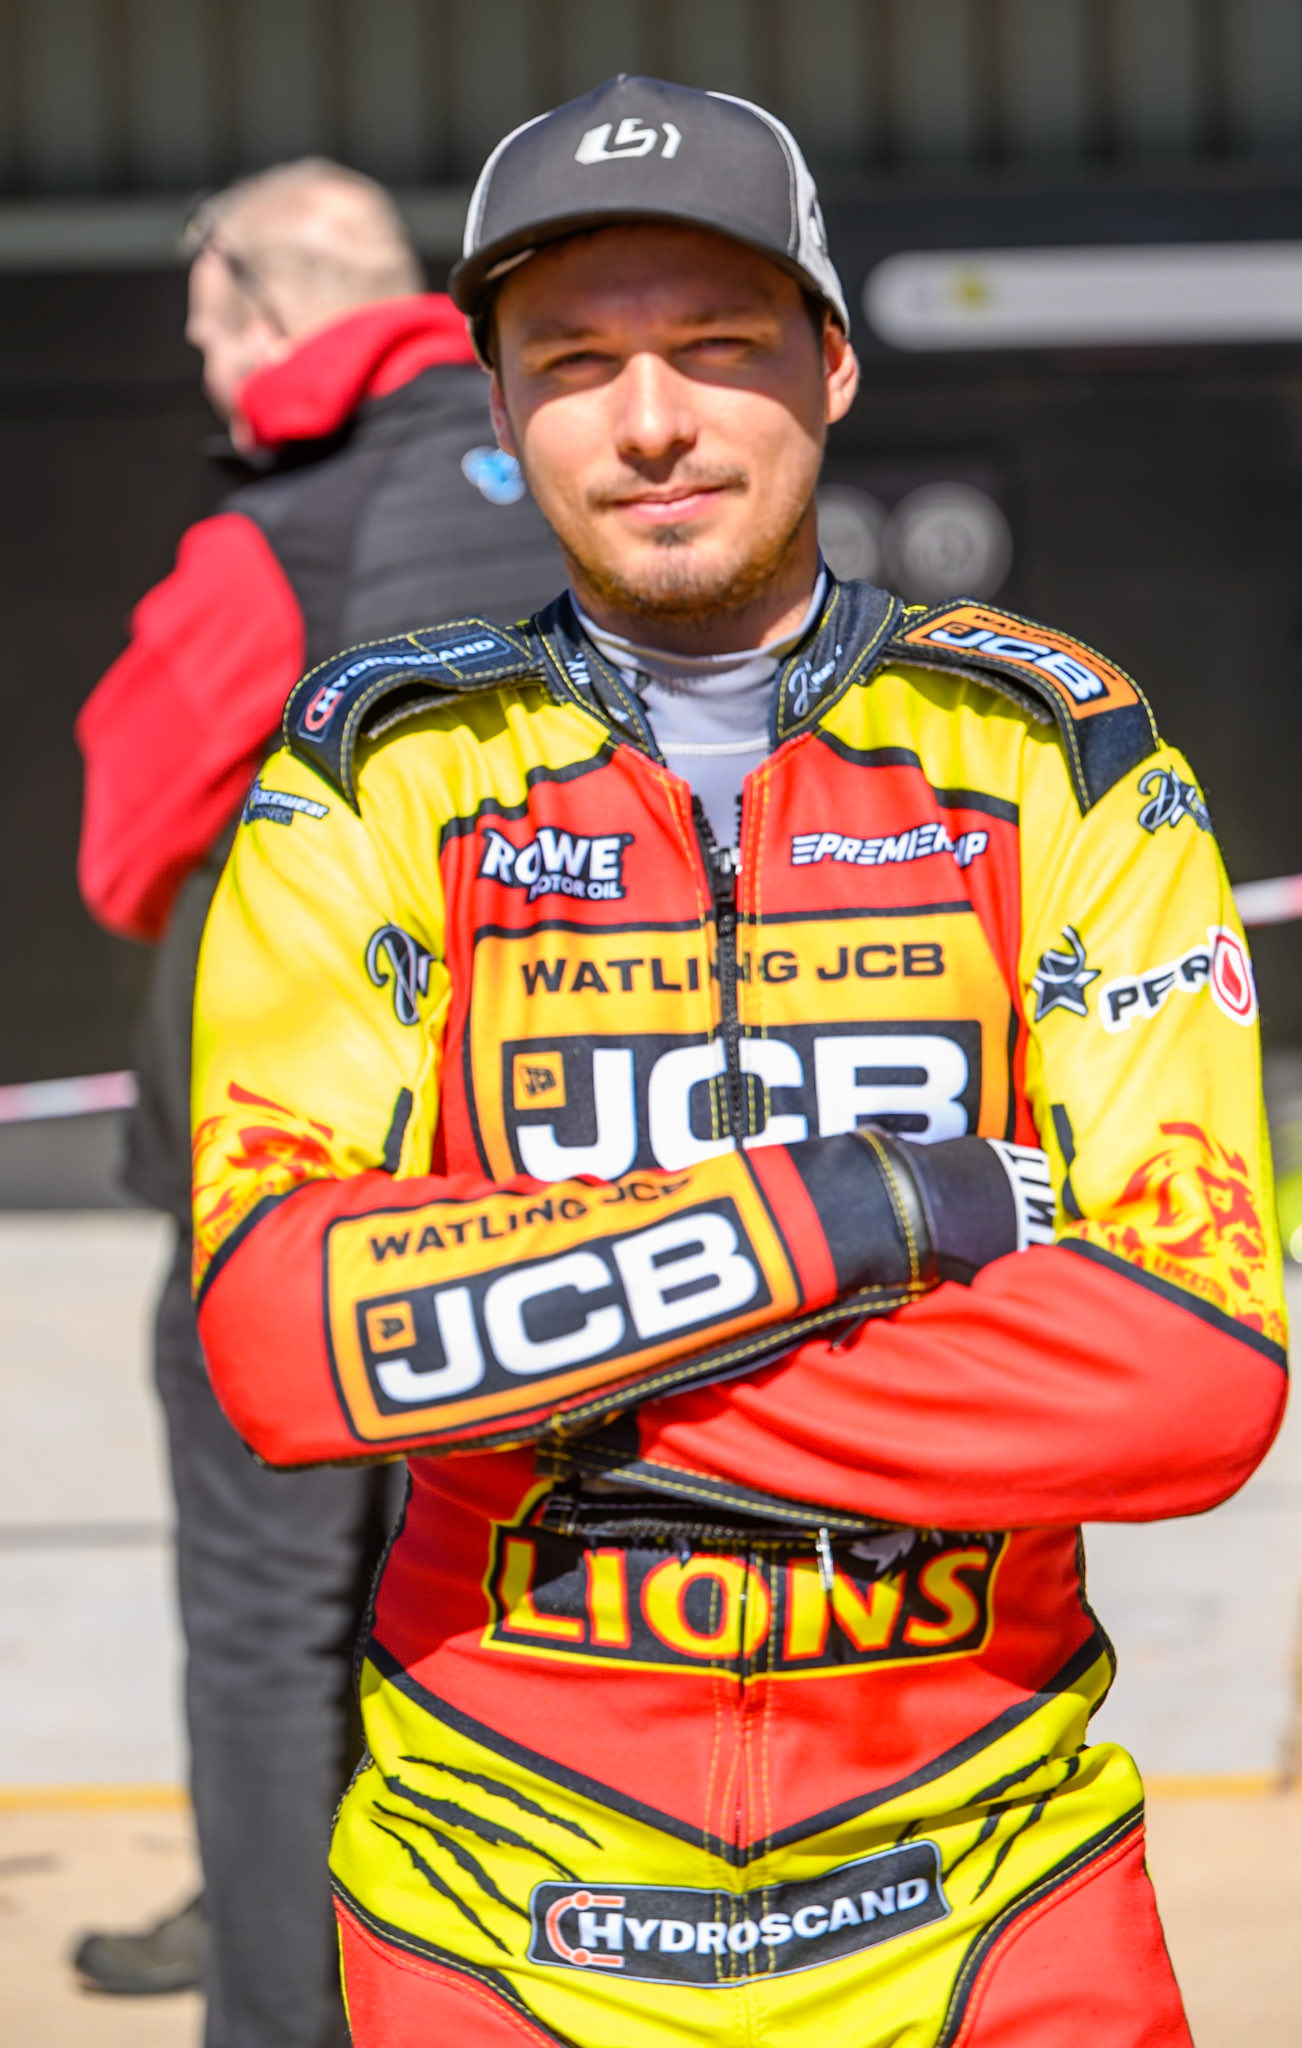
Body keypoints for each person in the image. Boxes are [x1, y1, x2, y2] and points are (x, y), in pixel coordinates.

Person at [188, 79, 1286, 2048]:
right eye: (574, 362)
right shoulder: (372, 779)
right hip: (491, 1910)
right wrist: (868, 1212)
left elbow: (1189, 1371)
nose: (652, 420)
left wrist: (511, 1365)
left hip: (990, 1895)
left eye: (713, 348)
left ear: (832, 365)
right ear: (503, 410)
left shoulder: (1061, 758)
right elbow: (280, 1339)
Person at [73, 158, 561, 2042]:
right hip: (591, 1176)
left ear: (274, 307)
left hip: (301, 1187)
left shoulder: (273, 534)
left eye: (206, 324)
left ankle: (283, 2009)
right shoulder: (600, 474)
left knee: (276, 1629)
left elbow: (130, 834)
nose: (201, 362)